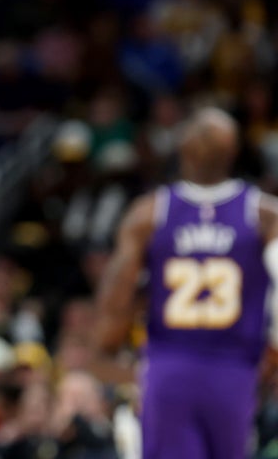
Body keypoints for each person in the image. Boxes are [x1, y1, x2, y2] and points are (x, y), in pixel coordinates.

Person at [94, 106, 278, 459]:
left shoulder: (150, 213)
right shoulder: (263, 214)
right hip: (234, 368)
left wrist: (108, 351)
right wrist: (273, 351)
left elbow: (114, 310)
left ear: (183, 148)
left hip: (170, 365)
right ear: (235, 150)